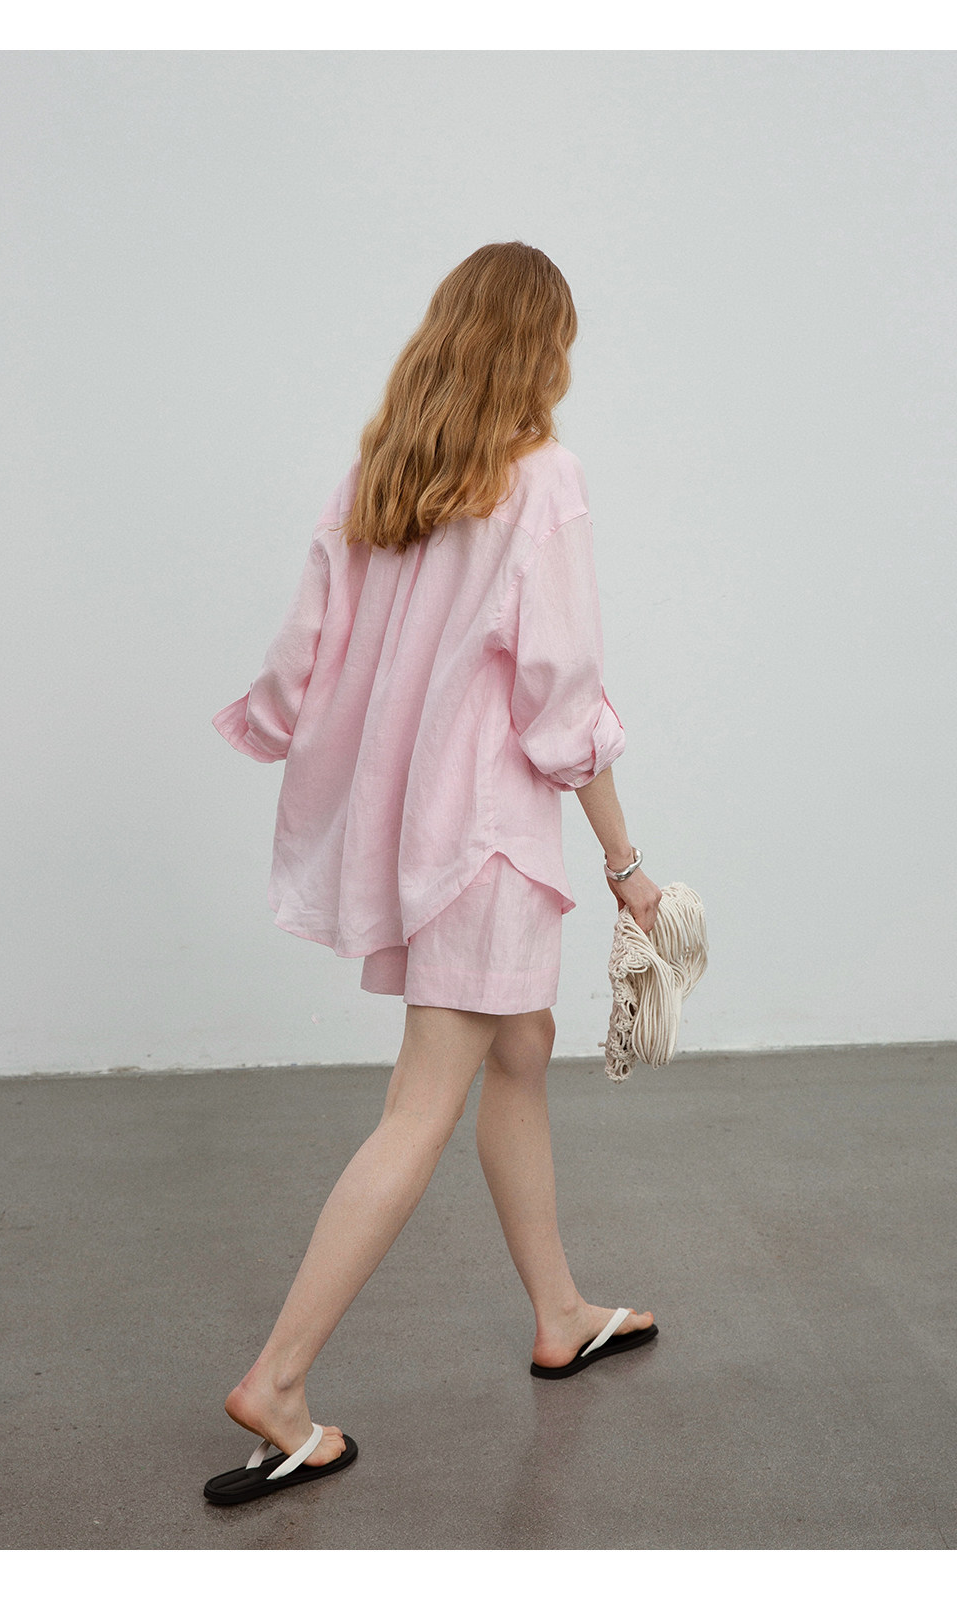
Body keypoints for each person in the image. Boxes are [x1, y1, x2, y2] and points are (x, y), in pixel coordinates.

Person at [204, 241, 663, 1505]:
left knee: (522, 1046)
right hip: (489, 844)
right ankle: (279, 1381)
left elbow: (304, 645)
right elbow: (558, 697)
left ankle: (558, 1311)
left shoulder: (385, 473)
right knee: (422, 1104)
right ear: (542, 346)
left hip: (414, 832)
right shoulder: (544, 478)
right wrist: (625, 859)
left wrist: (266, 723)